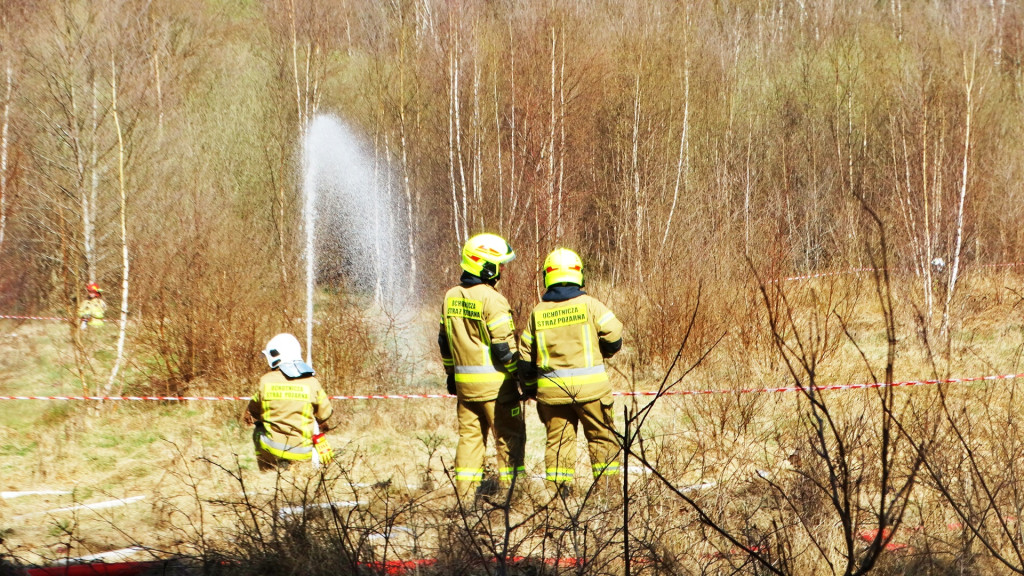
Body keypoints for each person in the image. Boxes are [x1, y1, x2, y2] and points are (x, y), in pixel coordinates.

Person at [518, 248, 624, 498]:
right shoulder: (591, 305)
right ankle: (608, 495)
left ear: (548, 276)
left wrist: (530, 388)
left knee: (558, 445)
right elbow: (614, 336)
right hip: (592, 392)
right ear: (579, 274)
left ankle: (558, 498)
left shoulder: (538, 312)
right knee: (602, 439)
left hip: (552, 395)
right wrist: (604, 352)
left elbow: (524, 357)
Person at [439, 233, 527, 501]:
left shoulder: (451, 296)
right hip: (496, 388)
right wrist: (521, 377)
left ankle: (465, 498)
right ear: (484, 266)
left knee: (469, 439)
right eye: (498, 265)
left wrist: (451, 375)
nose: (501, 271)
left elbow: (445, 341)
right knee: (509, 437)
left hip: (465, 388)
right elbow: (503, 348)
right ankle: (513, 497)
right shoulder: (492, 299)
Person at [246, 333, 334, 471]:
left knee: (258, 430)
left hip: (272, 449)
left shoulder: (265, 380)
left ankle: (266, 470)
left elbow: (254, 410)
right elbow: (325, 413)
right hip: (303, 452)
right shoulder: (312, 382)